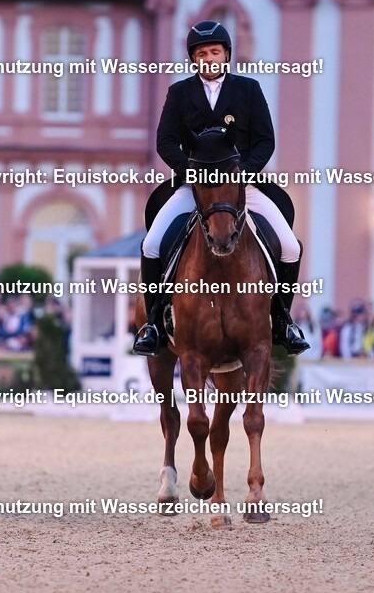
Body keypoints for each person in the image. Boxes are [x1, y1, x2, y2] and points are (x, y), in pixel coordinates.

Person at [132, 20, 309, 356]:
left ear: (226, 55)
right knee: (151, 243)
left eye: (214, 52)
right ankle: (153, 324)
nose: (209, 58)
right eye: (202, 53)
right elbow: (165, 141)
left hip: (242, 188)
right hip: (194, 189)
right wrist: (191, 172)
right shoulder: (179, 93)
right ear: (193, 59)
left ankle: (282, 320)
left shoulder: (248, 89)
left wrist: (243, 174)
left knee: (290, 247)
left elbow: (265, 141)